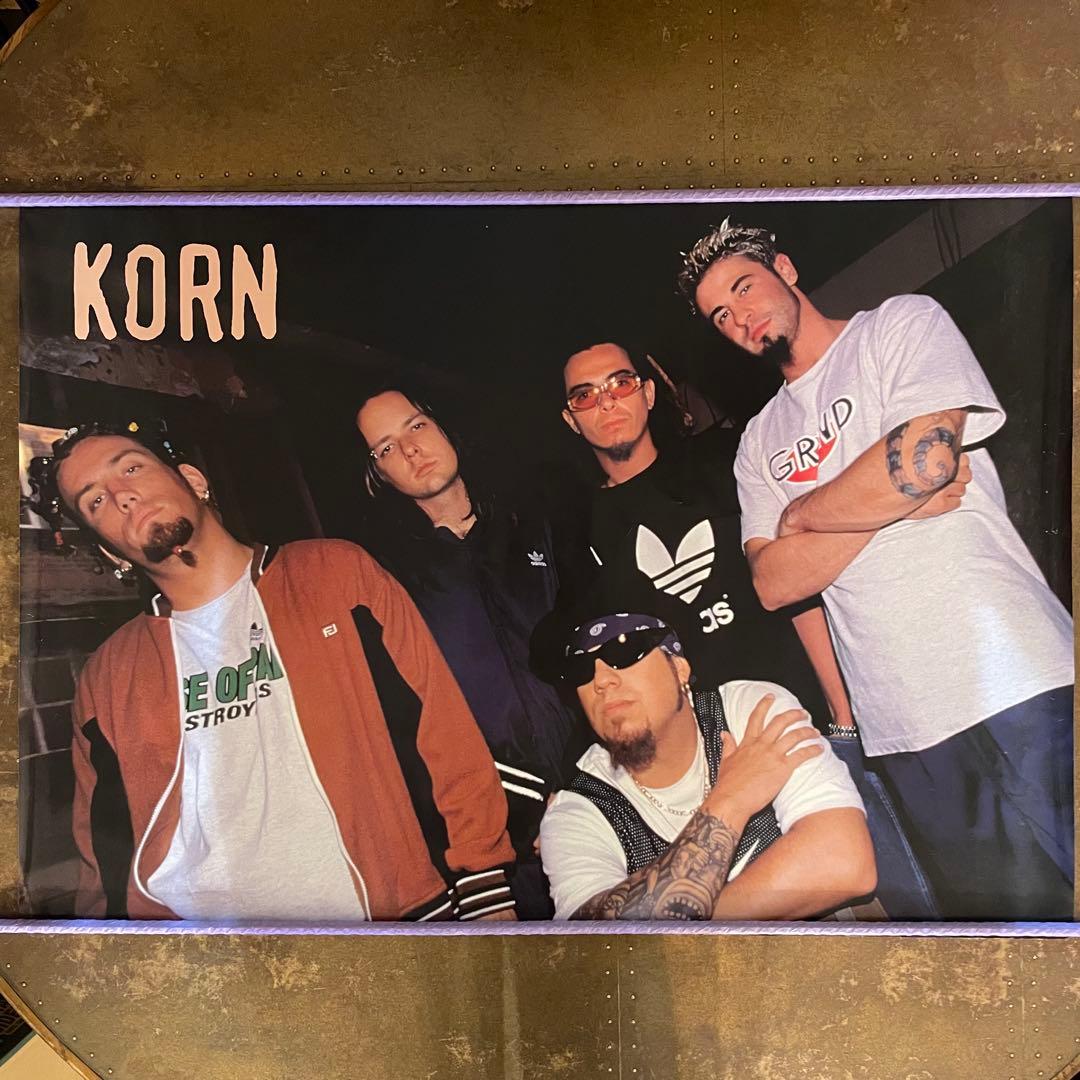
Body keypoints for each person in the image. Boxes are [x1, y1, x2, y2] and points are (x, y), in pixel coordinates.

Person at [679, 216, 1075, 918]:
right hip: (900, 723)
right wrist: (886, 502)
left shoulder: (898, 326)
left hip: (1015, 675)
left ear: (785, 270)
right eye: (720, 315)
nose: (739, 316)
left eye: (744, 287)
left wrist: (801, 517)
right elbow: (773, 584)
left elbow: (926, 460)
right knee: (1007, 937)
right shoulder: (758, 444)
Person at [29, 420, 517, 922]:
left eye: (131, 468)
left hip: (387, 922)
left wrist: (482, 878)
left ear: (193, 480)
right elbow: (104, 853)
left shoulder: (334, 574)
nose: (122, 496)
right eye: (95, 501)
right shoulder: (108, 675)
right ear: (110, 550)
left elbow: (442, 728)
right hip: (206, 953)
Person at [355, 386, 589, 919]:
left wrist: (593, 788)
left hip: (602, 791)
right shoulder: (391, 580)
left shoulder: (534, 525)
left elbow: (591, 648)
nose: (410, 450)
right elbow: (410, 723)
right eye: (386, 448)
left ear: (443, 427)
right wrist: (523, 816)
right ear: (378, 475)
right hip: (505, 837)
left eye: (416, 426)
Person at [534, 567, 874, 920]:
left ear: (679, 668)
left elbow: (845, 862)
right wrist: (731, 799)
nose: (601, 680)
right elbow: (595, 944)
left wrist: (672, 922)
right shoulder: (577, 813)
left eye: (624, 648)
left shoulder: (749, 712)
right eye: (581, 667)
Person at [557, 339, 847, 734]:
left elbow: (796, 588)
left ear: (648, 394)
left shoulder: (725, 461)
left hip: (799, 714)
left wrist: (841, 711)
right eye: (585, 395)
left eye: (620, 384)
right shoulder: (578, 534)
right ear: (571, 420)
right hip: (701, 746)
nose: (606, 402)